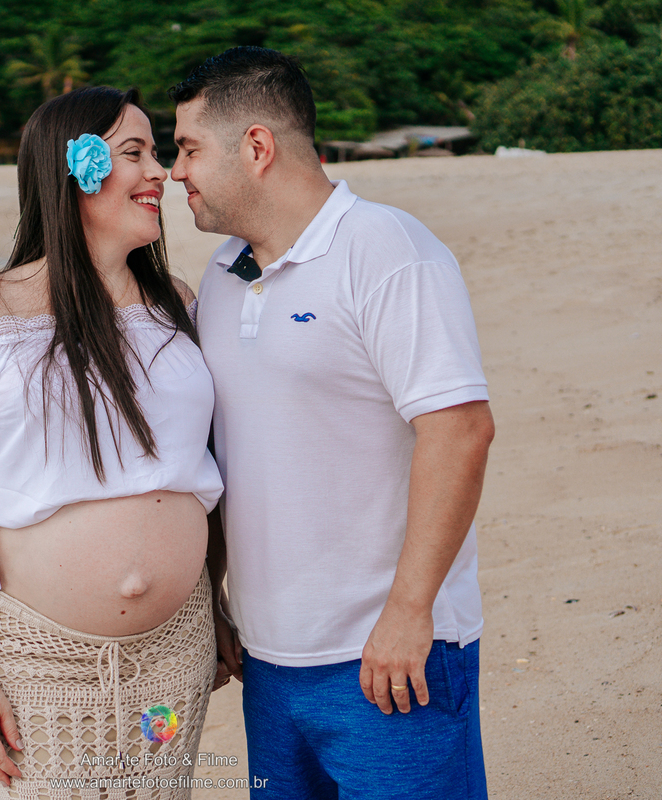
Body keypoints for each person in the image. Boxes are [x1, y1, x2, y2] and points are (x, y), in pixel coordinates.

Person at [169, 48, 495, 799]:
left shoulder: (386, 249)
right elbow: (226, 454)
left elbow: (461, 430)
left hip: (388, 652)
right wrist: (216, 596)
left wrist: (409, 615)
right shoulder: (221, 276)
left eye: (188, 148)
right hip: (269, 660)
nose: (175, 171)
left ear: (256, 147)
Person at [0, 86, 224, 799]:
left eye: (159, 152)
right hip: (37, 662)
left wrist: (222, 603)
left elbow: (212, 467)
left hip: (176, 653)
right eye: (134, 153)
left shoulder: (178, 303)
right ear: (72, 169)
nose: (160, 172)